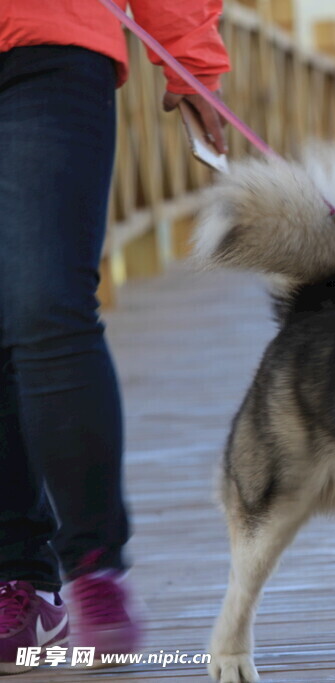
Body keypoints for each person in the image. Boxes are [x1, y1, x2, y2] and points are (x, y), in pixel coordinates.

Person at [0, 0, 229, 672]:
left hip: (50, 45)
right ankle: (17, 582)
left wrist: (190, 57)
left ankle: (96, 572)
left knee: (47, 300)